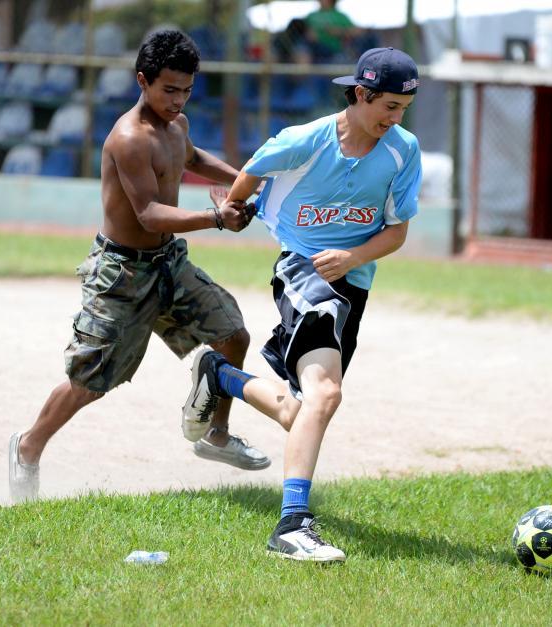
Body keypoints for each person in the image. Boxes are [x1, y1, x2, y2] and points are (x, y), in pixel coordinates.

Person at [8, 29, 270, 504]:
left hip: (168, 261)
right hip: (122, 274)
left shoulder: (178, 125)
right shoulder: (129, 138)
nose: (178, 99)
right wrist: (216, 218)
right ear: (142, 81)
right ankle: (27, 447)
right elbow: (148, 213)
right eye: (169, 89)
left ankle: (216, 435)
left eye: (187, 90)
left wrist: (244, 179)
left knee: (233, 334)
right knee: (89, 383)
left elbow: (191, 158)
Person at [182, 47, 422, 561]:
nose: (395, 118)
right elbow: (251, 170)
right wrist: (234, 207)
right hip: (302, 268)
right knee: (327, 394)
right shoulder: (306, 140)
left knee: (301, 412)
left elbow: (398, 231)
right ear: (360, 94)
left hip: (351, 282)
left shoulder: (403, 150)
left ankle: (219, 375)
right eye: (389, 107)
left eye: (403, 109)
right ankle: (291, 526)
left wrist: (353, 255)